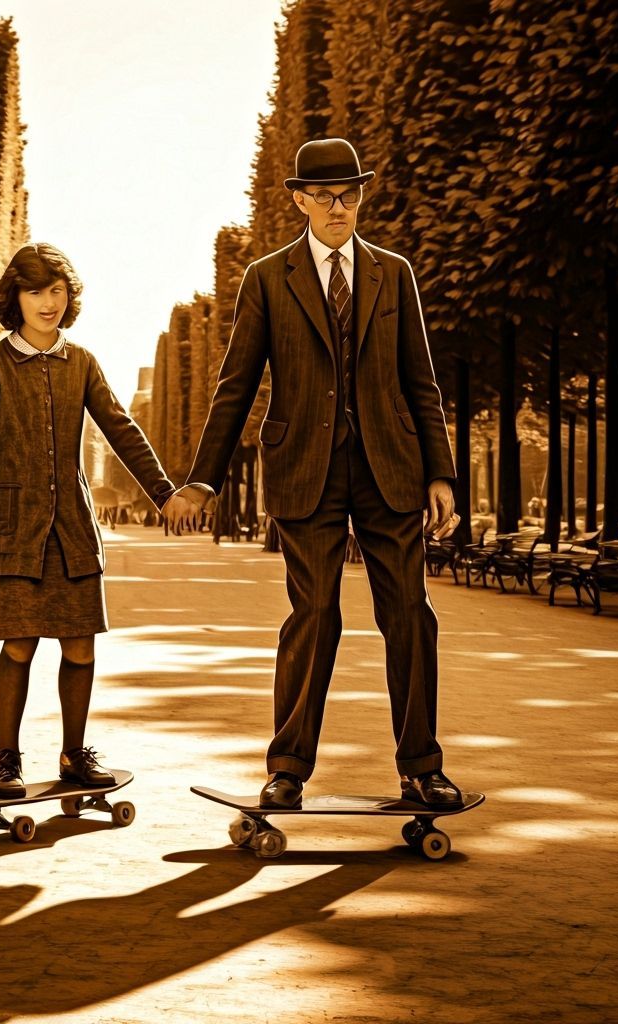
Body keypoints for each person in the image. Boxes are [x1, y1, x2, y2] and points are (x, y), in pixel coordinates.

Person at [165, 138, 464, 810]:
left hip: (392, 468)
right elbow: (235, 385)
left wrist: (440, 474)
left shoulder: (395, 273)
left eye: (350, 193)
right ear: (299, 200)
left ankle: (422, 766)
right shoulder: (268, 277)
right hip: (306, 470)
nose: (339, 206)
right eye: (325, 195)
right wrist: (203, 479)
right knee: (315, 613)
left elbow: (422, 383)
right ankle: (289, 768)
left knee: (411, 615)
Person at [0, 242, 176, 798]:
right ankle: (6, 759)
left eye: (56, 290)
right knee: (19, 645)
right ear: (14, 298)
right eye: (34, 291)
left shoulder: (83, 363)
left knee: (81, 647)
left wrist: (166, 494)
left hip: (72, 529)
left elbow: (122, 430)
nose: (47, 302)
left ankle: (75, 753)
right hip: (9, 529)